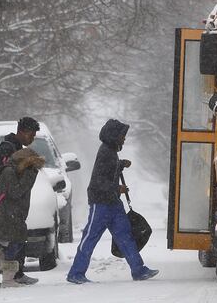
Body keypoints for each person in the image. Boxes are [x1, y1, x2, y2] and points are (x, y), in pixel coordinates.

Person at [67, 119, 158, 283]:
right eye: (123, 136)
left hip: (113, 203)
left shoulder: (110, 152)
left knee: (125, 236)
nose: (124, 139)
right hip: (101, 203)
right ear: (114, 136)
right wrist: (118, 189)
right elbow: (99, 182)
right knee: (90, 238)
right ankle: (76, 273)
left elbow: (109, 170)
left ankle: (138, 270)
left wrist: (121, 164)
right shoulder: (105, 153)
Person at [0, 116, 41, 287]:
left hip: (11, 207)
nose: (33, 138)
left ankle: (13, 274)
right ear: (22, 131)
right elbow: (6, 181)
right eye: (31, 134)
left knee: (9, 241)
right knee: (2, 242)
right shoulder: (8, 149)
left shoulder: (17, 148)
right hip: (5, 207)